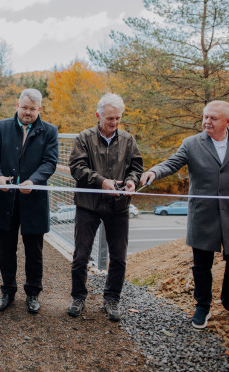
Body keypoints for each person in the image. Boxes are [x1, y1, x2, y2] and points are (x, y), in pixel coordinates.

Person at [140, 100, 229, 329]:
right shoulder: (191, 144)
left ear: (228, 121)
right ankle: (202, 307)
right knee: (201, 265)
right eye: (205, 117)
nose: (206, 121)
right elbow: (171, 164)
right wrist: (153, 172)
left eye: (213, 118)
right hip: (203, 216)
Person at [67, 93, 143, 321]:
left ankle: (112, 299)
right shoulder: (84, 138)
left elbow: (136, 167)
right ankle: (78, 297)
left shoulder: (128, 140)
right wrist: (101, 181)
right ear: (98, 116)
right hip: (88, 205)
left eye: (118, 118)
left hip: (118, 205)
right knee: (81, 255)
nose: (114, 123)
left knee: (119, 256)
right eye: (110, 118)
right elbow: (76, 167)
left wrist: (132, 180)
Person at [0, 88, 58, 314]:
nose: (27, 112)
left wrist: (33, 181)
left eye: (32, 109)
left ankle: (33, 293)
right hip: (5, 197)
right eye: (24, 107)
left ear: (40, 109)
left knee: (34, 251)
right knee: (6, 249)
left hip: (33, 199)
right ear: (18, 106)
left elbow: (49, 162)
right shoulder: (2, 127)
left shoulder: (49, 131)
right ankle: (7, 291)